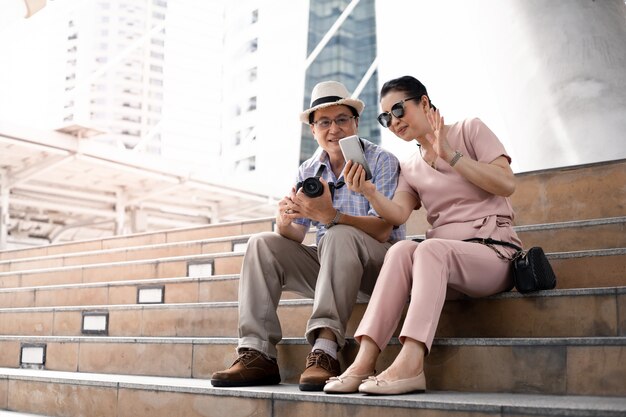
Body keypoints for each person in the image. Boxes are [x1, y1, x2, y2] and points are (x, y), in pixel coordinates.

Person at [323, 75, 522, 395]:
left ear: (425, 103)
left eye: (399, 110)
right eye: (385, 117)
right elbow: (399, 214)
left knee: (428, 249)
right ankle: (363, 361)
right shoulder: (411, 166)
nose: (393, 122)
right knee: (400, 251)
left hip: (493, 252)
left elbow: (506, 183)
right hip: (445, 262)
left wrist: (452, 156)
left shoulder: (469, 130)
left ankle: (412, 363)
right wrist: (371, 193)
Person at [211, 80, 405, 391]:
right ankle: (257, 353)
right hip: (331, 266)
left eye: (342, 119)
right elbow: (296, 236)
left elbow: (384, 229)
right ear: (312, 130)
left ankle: (326, 349)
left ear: (356, 123)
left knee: (339, 233)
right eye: (324, 122)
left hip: (378, 268)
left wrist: (333, 217)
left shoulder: (381, 161)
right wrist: (284, 220)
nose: (334, 129)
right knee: (262, 243)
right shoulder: (308, 171)